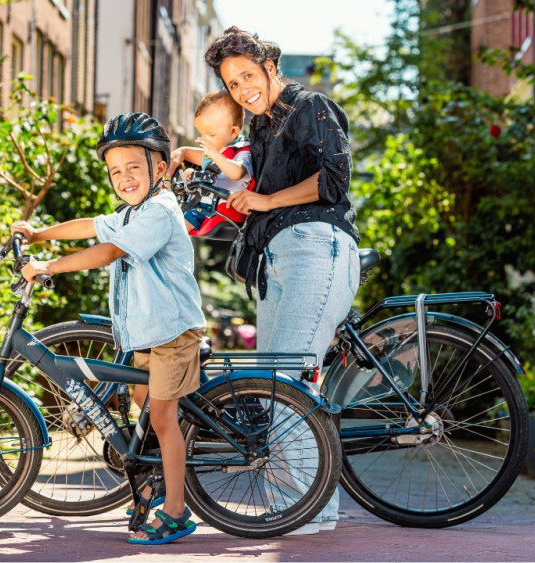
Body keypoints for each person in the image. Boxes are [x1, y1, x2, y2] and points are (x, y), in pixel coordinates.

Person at [10, 112, 204, 546]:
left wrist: (49, 267)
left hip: (173, 333)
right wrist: (38, 235)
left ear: (159, 169)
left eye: (134, 167)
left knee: (162, 416)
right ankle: (155, 480)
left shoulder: (158, 211)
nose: (124, 177)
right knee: (141, 399)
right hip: (147, 334)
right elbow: (90, 226)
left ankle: (176, 510)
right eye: (116, 170)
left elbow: (108, 249)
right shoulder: (132, 211)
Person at [204, 26, 361, 535]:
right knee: (276, 386)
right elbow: (254, 187)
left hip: (316, 247)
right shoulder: (262, 128)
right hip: (277, 261)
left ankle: (300, 512)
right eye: (232, 83)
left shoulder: (309, 106)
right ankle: (306, 509)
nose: (242, 89)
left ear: (270, 65)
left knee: (286, 382)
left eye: (248, 75)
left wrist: (268, 201)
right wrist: (246, 203)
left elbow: (335, 179)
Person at [167, 90, 254, 233]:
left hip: (218, 209)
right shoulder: (219, 149)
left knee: (175, 231)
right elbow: (208, 170)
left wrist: (215, 155)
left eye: (211, 134)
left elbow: (237, 173)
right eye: (202, 134)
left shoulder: (242, 150)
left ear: (233, 132)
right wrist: (193, 174)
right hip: (203, 204)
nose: (205, 139)